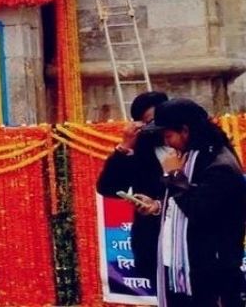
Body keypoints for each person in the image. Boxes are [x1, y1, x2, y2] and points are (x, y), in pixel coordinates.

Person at [134, 99, 246, 307]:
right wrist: (158, 205)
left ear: (185, 131)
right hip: (188, 268)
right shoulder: (192, 157)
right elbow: (186, 199)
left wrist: (174, 174)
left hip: (212, 272)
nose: (166, 143)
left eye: (168, 135)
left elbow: (199, 210)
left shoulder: (219, 165)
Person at [96, 91, 168, 289]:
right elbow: (108, 188)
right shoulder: (140, 148)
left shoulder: (192, 144)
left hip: (193, 245)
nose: (158, 129)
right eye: (149, 123)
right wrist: (125, 147)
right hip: (154, 243)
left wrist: (159, 205)